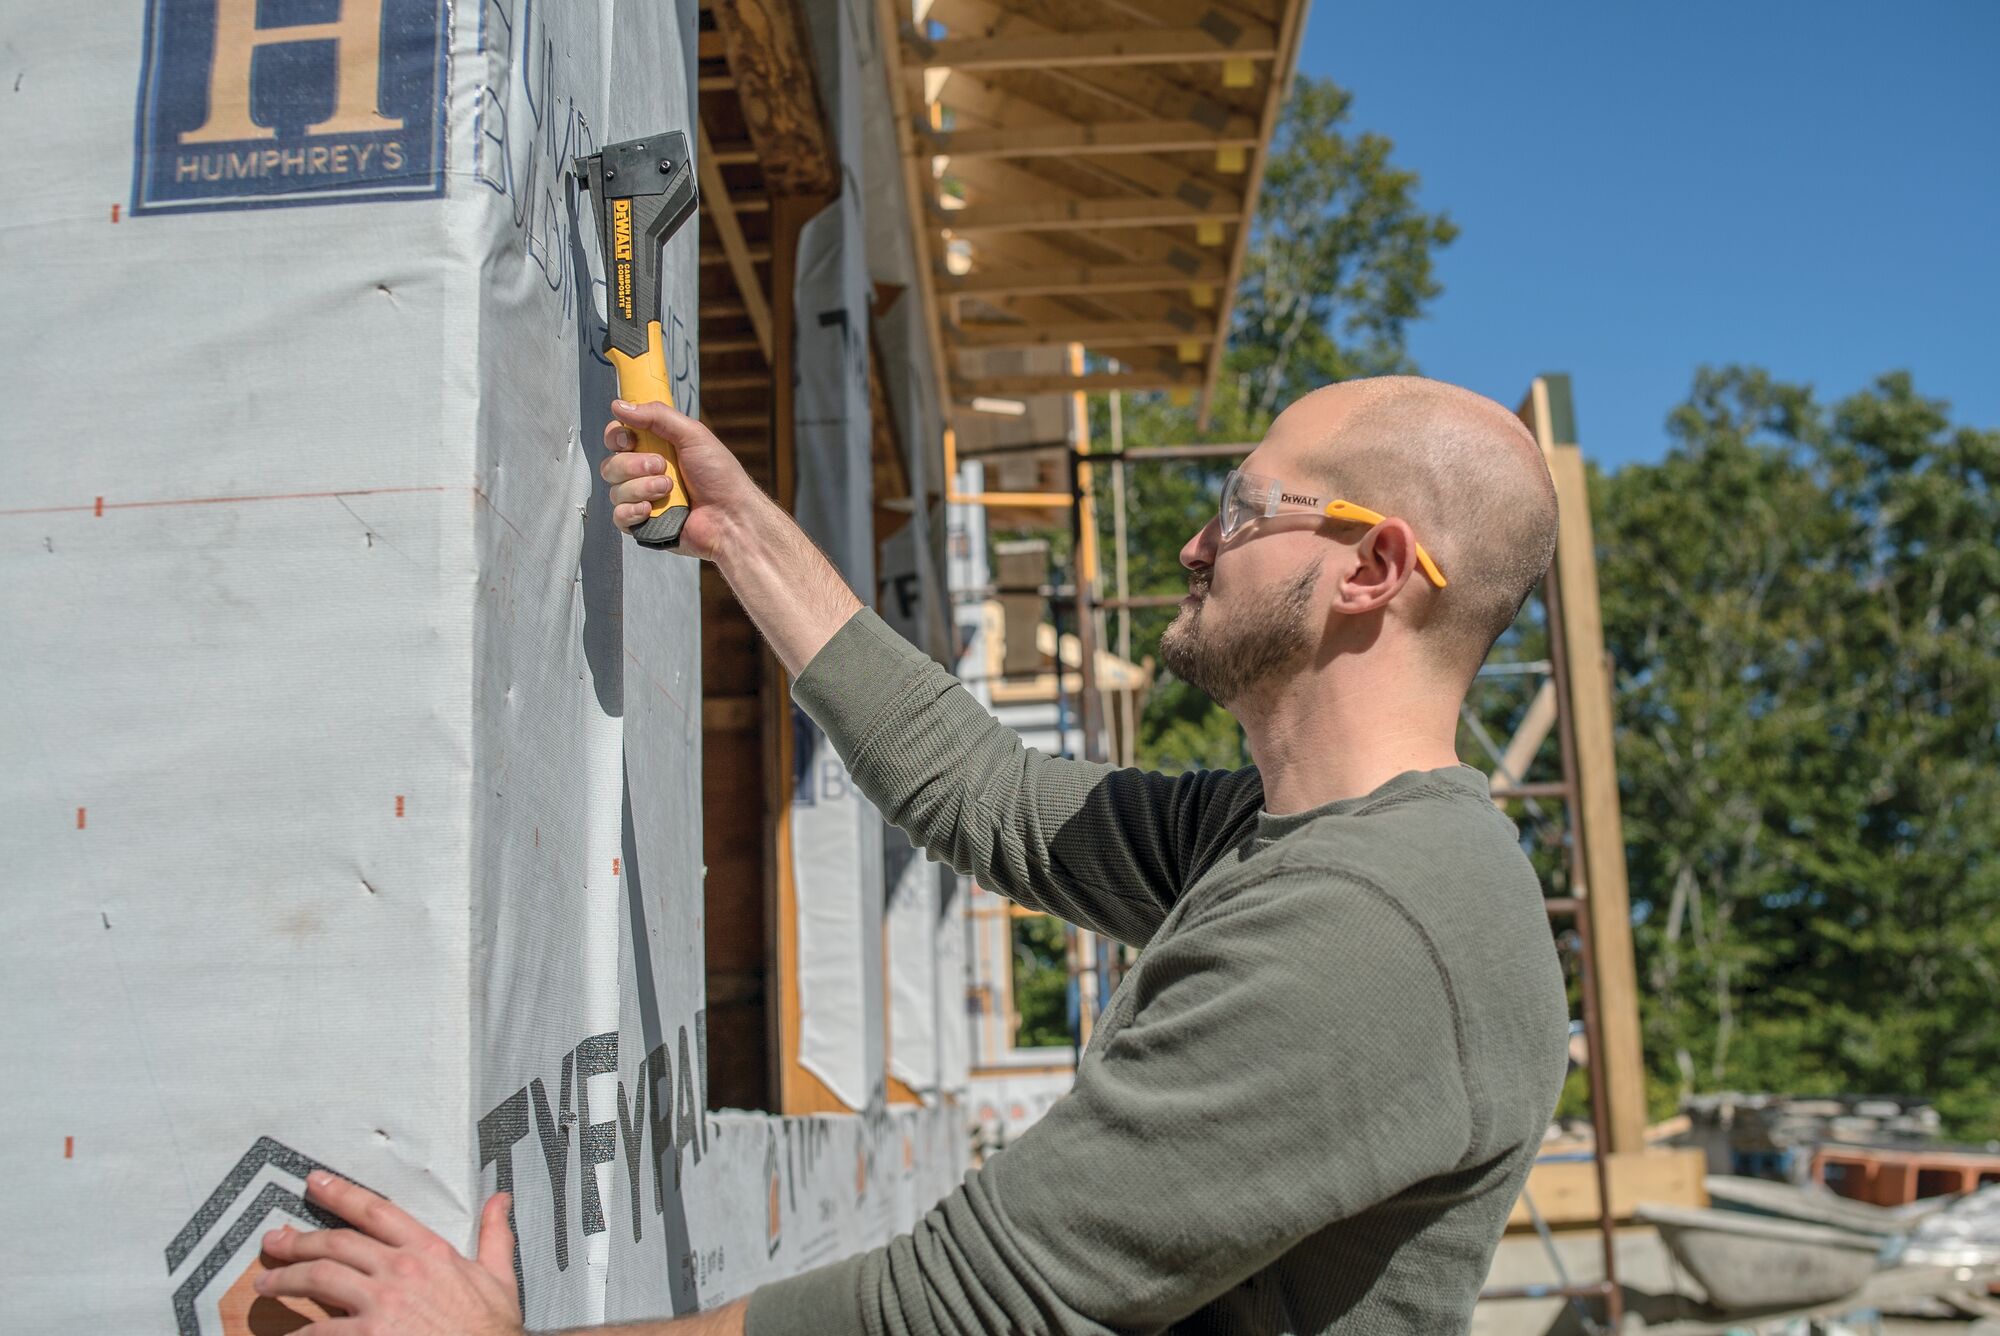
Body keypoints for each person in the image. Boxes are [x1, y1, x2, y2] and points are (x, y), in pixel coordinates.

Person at [256, 375, 1571, 1335]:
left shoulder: (1369, 929)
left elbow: (955, 1312)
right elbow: (986, 794)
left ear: (1372, 569)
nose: (1194, 542)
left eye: (1242, 506)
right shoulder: (1270, 838)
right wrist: (741, 530)